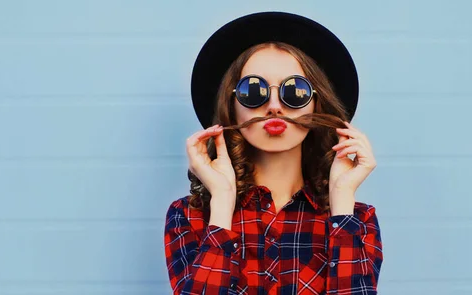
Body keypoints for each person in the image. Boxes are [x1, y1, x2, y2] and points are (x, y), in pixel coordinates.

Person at [164, 12, 383, 294]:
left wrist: (341, 201)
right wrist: (221, 203)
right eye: (254, 91)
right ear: (231, 106)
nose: (275, 106)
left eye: (295, 91)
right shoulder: (190, 216)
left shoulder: (358, 220)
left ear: (317, 104)